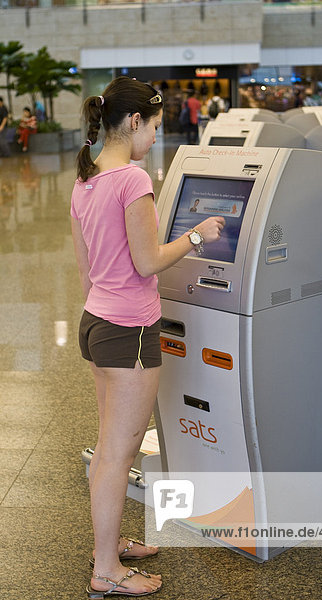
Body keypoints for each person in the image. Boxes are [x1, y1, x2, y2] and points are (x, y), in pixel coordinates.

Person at [71, 76, 225, 598]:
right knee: (119, 451)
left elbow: (86, 268)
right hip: (130, 332)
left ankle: (107, 548)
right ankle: (107, 571)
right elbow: (148, 261)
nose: (155, 138)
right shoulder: (132, 181)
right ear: (134, 122)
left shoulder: (86, 179)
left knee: (114, 445)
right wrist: (197, 235)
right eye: (155, 128)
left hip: (96, 324)